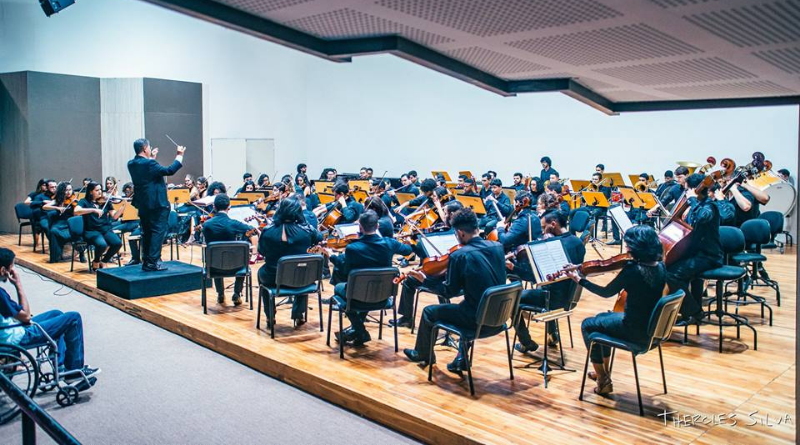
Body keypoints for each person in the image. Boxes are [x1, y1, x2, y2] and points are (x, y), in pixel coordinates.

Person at [566, 225, 667, 396]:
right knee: (601, 317)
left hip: (634, 330)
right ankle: (604, 373)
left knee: (588, 325)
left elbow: (605, 293)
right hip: (651, 328)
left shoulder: (633, 270)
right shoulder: (660, 266)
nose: (626, 247)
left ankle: (603, 379)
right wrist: (580, 267)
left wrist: (579, 280)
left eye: (628, 244)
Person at [403, 208, 506, 373]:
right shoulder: (497, 247)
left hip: (476, 321)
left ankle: (422, 353)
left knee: (429, 312)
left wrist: (425, 280)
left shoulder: (461, 255)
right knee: (466, 304)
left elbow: (448, 292)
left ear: (460, 233)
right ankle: (461, 359)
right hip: (500, 316)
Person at [0, 248, 99, 390]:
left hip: (9, 329)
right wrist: (18, 285)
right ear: (3, 269)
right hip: (16, 337)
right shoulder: (1, 295)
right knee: (73, 318)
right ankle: (73, 371)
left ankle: (61, 367)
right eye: (11, 267)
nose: (13, 270)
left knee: (56, 314)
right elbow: (26, 316)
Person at [317, 210, 412, 344]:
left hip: (356, 297)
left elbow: (344, 269)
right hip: (383, 295)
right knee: (367, 287)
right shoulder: (390, 243)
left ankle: (360, 331)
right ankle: (356, 330)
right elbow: (408, 251)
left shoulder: (353, 248)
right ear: (377, 226)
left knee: (340, 289)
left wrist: (331, 255)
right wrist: (407, 241)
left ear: (360, 227)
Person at [513, 209, 585, 353]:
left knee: (513, 299)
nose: (541, 231)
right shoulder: (578, 242)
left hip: (552, 299)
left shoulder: (554, 245)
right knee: (545, 289)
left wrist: (514, 267)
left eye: (543, 227)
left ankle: (526, 342)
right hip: (569, 297)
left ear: (553, 224)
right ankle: (553, 334)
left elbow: (535, 278)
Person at [392, 200, 464, 328]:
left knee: (409, 281)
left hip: (447, 280)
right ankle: (444, 313)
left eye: (445, 213)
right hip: (458, 279)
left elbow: (428, 258)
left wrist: (413, 245)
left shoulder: (453, 233)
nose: (443, 215)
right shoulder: (463, 230)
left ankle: (407, 318)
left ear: (452, 215)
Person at [258, 196, 323, 325]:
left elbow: (262, 252)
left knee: (261, 273)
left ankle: (269, 315)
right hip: (300, 278)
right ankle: (298, 314)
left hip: (273, 278)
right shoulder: (306, 232)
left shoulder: (267, 231)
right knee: (302, 271)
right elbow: (319, 237)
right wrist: (305, 223)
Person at [666, 173, 722, 322]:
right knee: (672, 270)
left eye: (687, 190)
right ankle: (687, 312)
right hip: (695, 253)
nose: (685, 193)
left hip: (708, 255)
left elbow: (703, 217)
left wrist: (691, 199)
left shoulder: (710, 206)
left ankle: (695, 312)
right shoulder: (697, 206)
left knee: (672, 275)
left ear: (694, 189)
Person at [127, 138, 185, 272]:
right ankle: (153, 262)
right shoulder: (150, 164)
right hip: (157, 204)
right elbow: (169, 170)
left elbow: (147, 172)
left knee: (147, 232)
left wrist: (152, 158)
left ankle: (147, 260)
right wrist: (179, 155)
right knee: (158, 231)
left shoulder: (131, 164)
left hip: (143, 204)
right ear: (145, 149)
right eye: (149, 147)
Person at [203, 194, 258, 306]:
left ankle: (220, 294)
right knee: (243, 259)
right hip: (236, 267)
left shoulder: (206, 224)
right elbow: (252, 230)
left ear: (214, 206)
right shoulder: (234, 223)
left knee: (216, 256)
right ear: (229, 207)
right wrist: (244, 237)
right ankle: (237, 294)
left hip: (213, 267)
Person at [74, 182, 125, 270]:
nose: (100, 192)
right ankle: (96, 260)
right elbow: (76, 211)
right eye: (97, 190)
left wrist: (122, 207)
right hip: (91, 231)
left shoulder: (105, 201)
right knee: (102, 245)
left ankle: (104, 261)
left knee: (117, 243)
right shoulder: (84, 202)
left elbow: (114, 216)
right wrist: (93, 210)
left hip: (105, 229)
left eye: (100, 189)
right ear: (90, 192)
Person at [42, 182, 78, 263]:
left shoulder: (74, 201)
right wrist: (57, 208)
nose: (69, 192)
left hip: (70, 224)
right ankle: (55, 257)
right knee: (53, 231)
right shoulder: (58, 200)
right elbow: (44, 207)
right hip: (60, 223)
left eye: (70, 190)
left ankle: (80, 253)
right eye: (66, 190)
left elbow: (76, 214)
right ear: (62, 191)